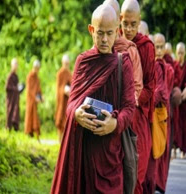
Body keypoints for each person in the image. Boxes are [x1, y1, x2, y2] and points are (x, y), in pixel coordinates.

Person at [50, 4, 135, 194]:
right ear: (91, 30)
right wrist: (76, 113)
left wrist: (115, 124)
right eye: (100, 33)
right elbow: (71, 103)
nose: (104, 40)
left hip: (112, 156)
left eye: (109, 33)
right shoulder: (83, 61)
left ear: (117, 31)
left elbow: (129, 108)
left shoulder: (124, 63)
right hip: (84, 154)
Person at [120, 1, 156, 193]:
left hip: (138, 116)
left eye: (133, 24)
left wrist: (132, 101)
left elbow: (150, 87)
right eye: (125, 23)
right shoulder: (114, 40)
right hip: (118, 116)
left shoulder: (146, 47)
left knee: (136, 174)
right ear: (120, 21)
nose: (129, 29)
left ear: (139, 21)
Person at [104, 0, 143, 106]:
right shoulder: (96, 49)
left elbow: (137, 87)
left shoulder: (130, 50)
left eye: (111, 16)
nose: (107, 20)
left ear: (119, 19)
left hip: (121, 112)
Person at [143, 33, 169, 194]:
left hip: (155, 114)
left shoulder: (159, 65)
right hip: (150, 115)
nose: (158, 51)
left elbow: (160, 92)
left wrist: (145, 101)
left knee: (152, 157)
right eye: (155, 47)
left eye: (161, 47)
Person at [55, 54, 72, 142]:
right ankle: (59, 139)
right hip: (61, 100)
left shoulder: (69, 73)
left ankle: (64, 140)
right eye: (64, 63)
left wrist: (69, 91)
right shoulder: (59, 74)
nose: (66, 64)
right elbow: (58, 88)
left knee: (66, 119)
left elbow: (72, 84)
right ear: (62, 63)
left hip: (67, 101)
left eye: (67, 63)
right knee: (60, 118)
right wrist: (63, 90)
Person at [173, 42, 186, 158]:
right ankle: (175, 148)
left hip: (185, 101)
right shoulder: (175, 65)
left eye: (182, 53)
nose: (180, 55)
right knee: (177, 125)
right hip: (177, 102)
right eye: (178, 53)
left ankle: (184, 151)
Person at [24, 60, 42, 140]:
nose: (37, 70)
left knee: (35, 117)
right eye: (36, 68)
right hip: (30, 100)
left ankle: (36, 134)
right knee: (29, 116)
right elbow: (29, 90)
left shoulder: (37, 78)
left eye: (38, 69)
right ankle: (28, 134)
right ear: (34, 67)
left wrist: (41, 96)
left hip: (35, 102)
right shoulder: (29, 76)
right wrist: (35, 97)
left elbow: (38, 88)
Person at [5, 58, 20, 131]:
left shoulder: (16, 76)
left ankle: (15, 128)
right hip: (10, 99)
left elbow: (17, 86)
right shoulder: (10, 76)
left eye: (17, 64)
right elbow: (7, 87)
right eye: (15, 64)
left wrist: (19, 89)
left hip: (15, 98)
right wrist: (15, 89)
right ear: (12, 65)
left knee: (16, 112)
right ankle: (8, 128)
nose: (16, 66)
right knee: (10, 111)